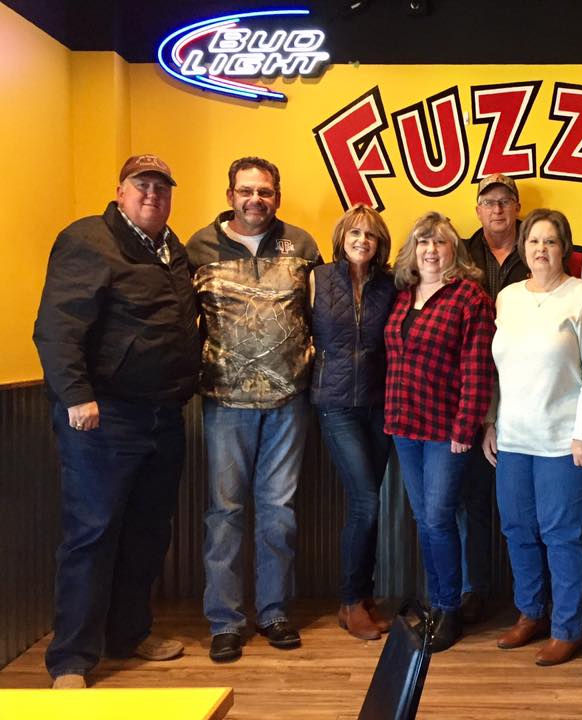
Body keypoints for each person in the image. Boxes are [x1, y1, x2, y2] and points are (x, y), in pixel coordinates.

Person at [33, 154, 201, 689]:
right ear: (121, 191)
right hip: (103, 417)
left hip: (163, 414)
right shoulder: (88, 240)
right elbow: (56, 327)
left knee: (148, 532)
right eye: (141, 184)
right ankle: (71, 659)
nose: (152, 194)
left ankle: (130, 633)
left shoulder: (173, 250)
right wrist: (76, 396)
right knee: (92, 533)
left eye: (161, 186)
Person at [186, 157, 321, 663]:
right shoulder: (199, 247)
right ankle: (224, 621)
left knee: (278, 512)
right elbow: (182, 320)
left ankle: (274, 611)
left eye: (264, 191)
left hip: (290, 401)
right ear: (230, 196)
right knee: (225, 513)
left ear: (277, 197)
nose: (255, 200)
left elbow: (318, 316)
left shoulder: (302, 245)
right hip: (225, 402)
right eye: (246, 191)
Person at [482, 209, 582, 666]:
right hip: (513, 438)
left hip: (564, 441)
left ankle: (568, 628)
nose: (541, 249)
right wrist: (491, 421)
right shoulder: (508, 297)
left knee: (562, 535)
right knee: (517, 530)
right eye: (534, 241)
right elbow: (498, 367)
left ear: (564, 248)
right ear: (523, 248)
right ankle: (531, 613)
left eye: (551, 242)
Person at [384, 212, 495, 652]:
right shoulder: (404, 295)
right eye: (423, 242)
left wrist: (467, 426)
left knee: (438, 518)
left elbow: (477, 368)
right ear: (413, 250)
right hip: (403, 424)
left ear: (454, 250)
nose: (431, 250)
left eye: (440, 242)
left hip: (446, 429)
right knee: (424, 519)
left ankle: (449, 609)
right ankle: (437, 603)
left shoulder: (470, 298)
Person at [311, 205, 396, 641]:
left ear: (380, 244)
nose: (362, 240)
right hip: (336, 403)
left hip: (380, 405)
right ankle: (349, 602)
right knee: (365, 502)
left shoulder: (391, 285)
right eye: (355, 233)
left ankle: (364, 595)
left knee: (370, 503)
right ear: (341, 238)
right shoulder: (318, 279)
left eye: (371, 235)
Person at [457, 173, 527, 623]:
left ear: (517, 207)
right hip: (471, 387)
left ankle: (533, 603)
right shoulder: (459, 252)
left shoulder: (539, 248)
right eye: (489, 201)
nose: (497, 208)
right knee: (473, 500)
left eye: (505, 200)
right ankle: (475, 591)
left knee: (527, 508)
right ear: (478, 209)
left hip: (528, 389)